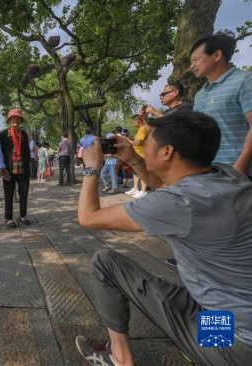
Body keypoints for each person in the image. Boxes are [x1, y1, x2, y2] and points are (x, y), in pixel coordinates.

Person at [76, 110, 252, 366]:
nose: (143, 147)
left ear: (167, 152)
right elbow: (168, 186)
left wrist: (91, 168)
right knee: (176, 295)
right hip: (237, 313)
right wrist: (133, 159)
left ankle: (119, 358)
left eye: (149, 143)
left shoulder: (180, 203)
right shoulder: (228, 176)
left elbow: (88, 217)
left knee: (105, 263)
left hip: (234, 343)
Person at [190, 33, 252, 178]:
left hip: (239, 174)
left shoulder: (245, 81)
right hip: (207, 172)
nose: (191, 66)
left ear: (217, 55)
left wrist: (240, 166)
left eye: (196, 60)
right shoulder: (199, 94)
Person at [0, 108, 32, 228]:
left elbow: (27, 152)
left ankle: (23, 215)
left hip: (23, 169)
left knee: (24, 193)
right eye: (13, 118)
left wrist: (30, 168)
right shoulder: (3, 134)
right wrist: (1, 169)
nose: (16, 120)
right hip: (9, 169)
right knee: (8, 194)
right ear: (9, 120)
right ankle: (8, 218)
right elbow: (0, 153)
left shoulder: (24, 134)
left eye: (18, 118)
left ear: (21, 120)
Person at [124, 114, 148, 198]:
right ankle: (135, 188)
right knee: (136, 173)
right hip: (137, 155)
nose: (133, 124)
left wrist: (127, 140)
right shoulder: (140, 130)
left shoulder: (143, 129)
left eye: (133, 122)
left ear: (137, 121)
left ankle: (143, 190)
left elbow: (138, 143)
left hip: (142, 155)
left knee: (142, 173)